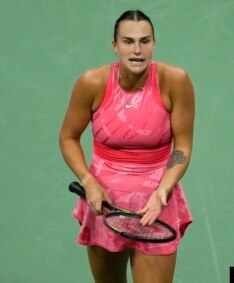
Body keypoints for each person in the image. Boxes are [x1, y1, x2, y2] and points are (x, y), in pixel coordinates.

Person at [59, 9, 195, 283]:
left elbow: (182, 146)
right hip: (104, 206)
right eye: (128, 41)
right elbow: (68, 137)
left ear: (154, 44)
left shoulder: (175, 81)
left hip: (156, 206)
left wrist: (163, 191)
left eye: (145, 41)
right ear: (115, 46)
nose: (137, 50)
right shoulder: (92, 83)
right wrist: (87, 180)